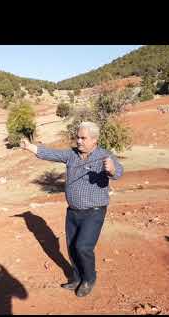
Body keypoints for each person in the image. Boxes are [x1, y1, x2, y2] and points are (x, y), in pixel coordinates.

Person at [20, 121, 124, 297]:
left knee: (83, 246)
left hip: (94, 211)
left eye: (83, 138)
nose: (79, 141)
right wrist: (30, 147)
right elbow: (51, 153)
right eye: (78, 137)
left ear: (94, 140)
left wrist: (112, 169)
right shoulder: (71, 155)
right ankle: (76, 277)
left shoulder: (104, 156)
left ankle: (89, 279)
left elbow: (118, 171)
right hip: (73, 211)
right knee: (71, 247)